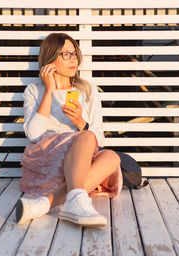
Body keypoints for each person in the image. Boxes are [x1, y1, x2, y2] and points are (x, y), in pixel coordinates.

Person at [16, 33, 122, 227]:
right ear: (51, 57)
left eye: (74, 53)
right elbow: (34, 135)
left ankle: (44, 204)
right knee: (86, 138)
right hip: (47, 156)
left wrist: (81, 122)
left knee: (112, 157)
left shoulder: (88, 90)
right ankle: (73, 199)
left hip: (77, 160)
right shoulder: (34, 90)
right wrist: (49, 91)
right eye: (66, 54)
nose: (73, 59)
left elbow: (99, 139)